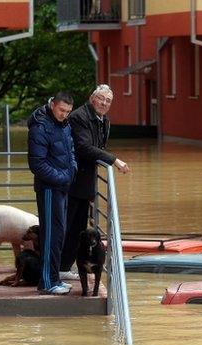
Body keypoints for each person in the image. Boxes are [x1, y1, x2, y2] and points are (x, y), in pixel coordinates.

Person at [59, 84, 130, 280]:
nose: (104, 103)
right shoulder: (79, 117)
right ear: (92, 99)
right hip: (71, 181)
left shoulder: (103, 120)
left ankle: (65, 267)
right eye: (101, 99)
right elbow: (84, 148)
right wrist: (114, 160)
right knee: (65, 227)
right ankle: (55, 268)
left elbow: (97, 146)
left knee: (79, 228)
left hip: (85, 183)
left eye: (108, 101)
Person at [27, 92, 78, 295]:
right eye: (61, 110)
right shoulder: (40, 126)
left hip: (62, 186)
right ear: (52, 105)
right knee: (50, 235)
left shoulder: (63, 124)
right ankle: (47, 282)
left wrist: (71, 171)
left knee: (59, 235)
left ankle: (54, 278)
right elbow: (37, 164)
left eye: (68, 112)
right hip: (49, 189)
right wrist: (62, 178)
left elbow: (71, 150)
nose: (64, 115)